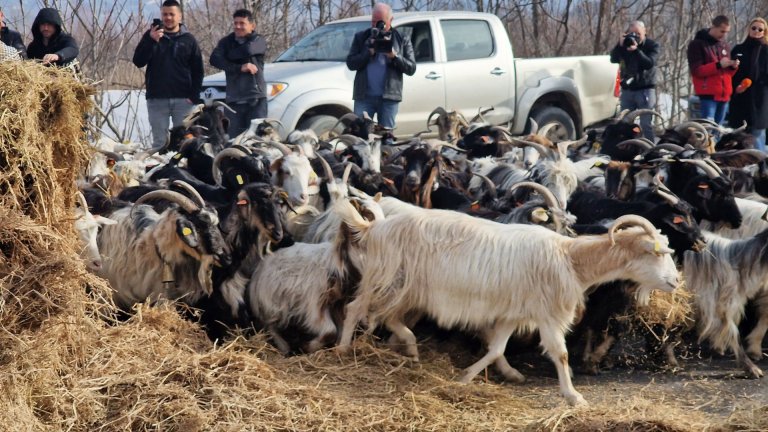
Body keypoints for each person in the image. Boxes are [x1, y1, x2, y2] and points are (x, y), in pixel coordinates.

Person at [132, 0, 204, 150]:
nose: (168, 17)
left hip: (184, 100)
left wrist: (194, 96)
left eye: (172, 14)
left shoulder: (189, 40)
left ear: (179, 16)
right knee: (160, 143)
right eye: (165, 14)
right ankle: (160, 171)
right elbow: (138, 61)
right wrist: (152, 41)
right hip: (157, 99)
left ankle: (183, 172)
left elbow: (198, 70)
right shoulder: (151, 35)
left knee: (185, 143)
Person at [346, 3, 416, 131]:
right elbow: (350, 63)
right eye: (373, 21)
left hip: (389, 98)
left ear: (391, 20)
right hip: (364, 97)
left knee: (386, 137)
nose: (376, 25)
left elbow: (411, 68)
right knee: (360, 135)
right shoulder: (361, 37)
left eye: (380, 22)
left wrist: (394, 57)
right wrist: (368, 53)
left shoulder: (402, 39)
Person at [209, 9, 268, 138]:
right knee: (234, 140)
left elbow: (248, 49)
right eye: (235, 23)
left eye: (242, 23)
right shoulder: (226, 41)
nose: (238, 26)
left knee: (257, 139)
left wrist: (227, 56)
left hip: (255, 99)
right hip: (233, 100)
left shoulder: (259, 40)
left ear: (252, 25)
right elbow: (214, 59)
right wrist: (239, 67)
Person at [610, 20, 660, 141]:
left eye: (638, 33)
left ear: (645, 32)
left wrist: (636, 50)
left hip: (645, 90)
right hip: (628, 90)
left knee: (645, 124)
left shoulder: (652, 45)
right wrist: (620, 45)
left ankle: (651, 149)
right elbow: (613, 59)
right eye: (632, 33)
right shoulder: (625, 45)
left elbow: (649, 63)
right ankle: (625, 148)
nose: (635, 36)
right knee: (624, 123)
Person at [687, 15, 739, 126]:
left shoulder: (725, 45)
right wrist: (718, 65)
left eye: (727, 32)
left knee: (719, 129)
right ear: (713, 27)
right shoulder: (697, 44)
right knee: (708, 128)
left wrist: (732, 66)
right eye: (722, 31)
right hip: (708, 94)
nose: (724, 35)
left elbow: (727, 74)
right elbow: (697, 71)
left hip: (724, 94)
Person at [728, 17, 768, 151]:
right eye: (754, 28)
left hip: (759, 99)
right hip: (740, 99)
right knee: (739, 136)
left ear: (764, 32)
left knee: (757, 135)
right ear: (749, 29)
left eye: (760, 29)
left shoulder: (766, 50)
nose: (756, 31)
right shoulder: (739, 49)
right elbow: (729, 73)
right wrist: (736, 88)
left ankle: (762, 167)